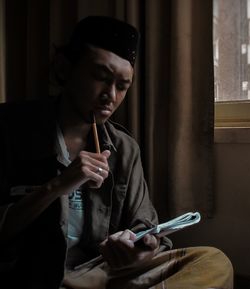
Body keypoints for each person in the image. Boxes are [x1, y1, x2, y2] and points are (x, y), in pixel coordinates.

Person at [0, 16, 233, 289]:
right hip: (32, 275)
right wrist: (57, 186)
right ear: (65, 68)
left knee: (212, 261)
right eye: (100, 77)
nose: (110, 96)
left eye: (122, 86)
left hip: (98, 275)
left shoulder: (123, 147)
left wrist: (142, 248)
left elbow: (145, 225)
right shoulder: (10, 129)